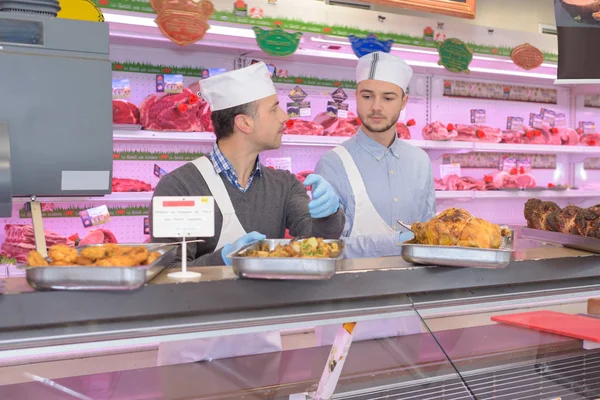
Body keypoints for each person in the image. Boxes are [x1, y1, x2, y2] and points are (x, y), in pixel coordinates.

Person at [150, 62, 345, 266]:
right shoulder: (180, 187)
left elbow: (315, 242)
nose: (284, 117)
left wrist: (329, 215)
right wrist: (223, 260)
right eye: (274, 109)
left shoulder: (285, 185)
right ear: (244, 123)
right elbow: (170, 273)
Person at [314, 51, 436, 259]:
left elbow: (431, 234)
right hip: (355, 287)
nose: (376, 107)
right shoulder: (333, 164)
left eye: (388, 98)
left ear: (403, 102)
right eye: (367, 96)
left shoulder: (420, 162)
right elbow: (329, 247)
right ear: (356, 97)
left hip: (416, 284)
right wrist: (401, 241)